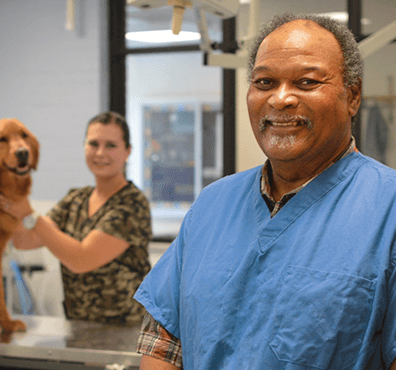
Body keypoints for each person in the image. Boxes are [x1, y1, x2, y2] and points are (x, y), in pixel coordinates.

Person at [133, 13, 396, 370]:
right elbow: (163, 345)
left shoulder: (387, 210)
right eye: (265, 82)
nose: (280, 99)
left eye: (306, 82)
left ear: (352, 96)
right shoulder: (212, 205)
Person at [0, 111, 152, 324]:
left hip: (126, 330)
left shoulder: (132, 205)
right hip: (80, 327)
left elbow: (82, 259)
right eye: (93, 144)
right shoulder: (75, 200)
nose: (100, 153)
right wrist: (6, 199)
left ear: (127, 152)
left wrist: (27, 214)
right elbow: (26, 240)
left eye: (111, 145)